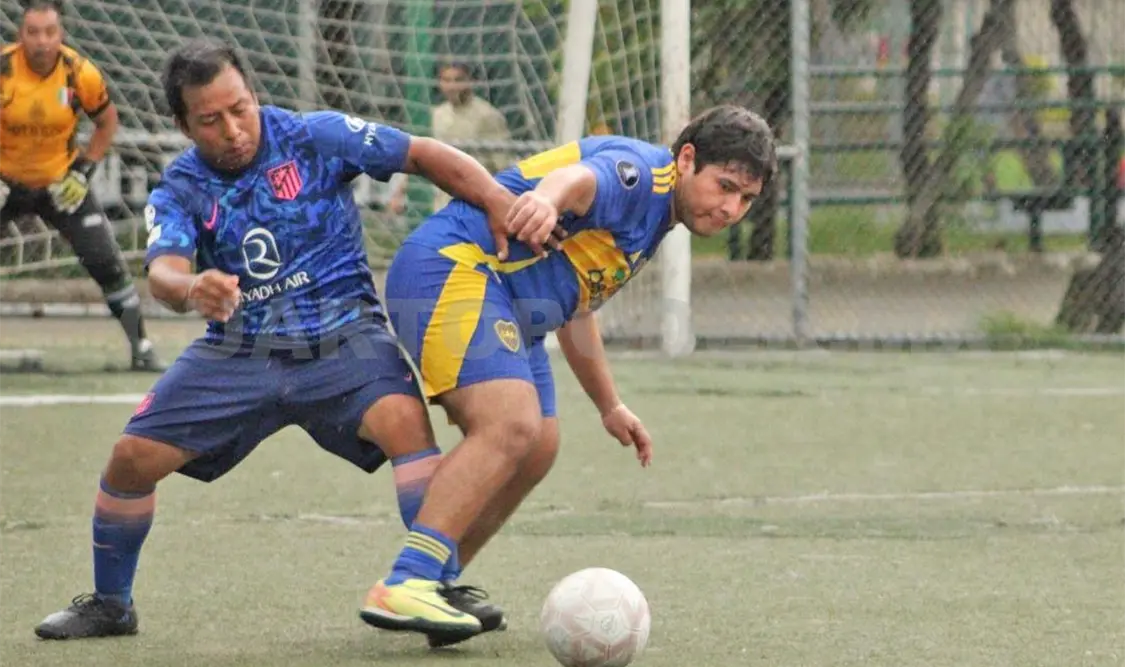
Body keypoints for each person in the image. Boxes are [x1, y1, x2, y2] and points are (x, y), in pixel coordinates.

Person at [32, 37, 554, 644]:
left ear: (255, 94)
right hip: (239, 350)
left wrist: (494, 199)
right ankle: (111, 604)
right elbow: (163, 271)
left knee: (406, 427)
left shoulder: (315, 135)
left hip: (345, 339)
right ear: (182, 125)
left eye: (241, 108)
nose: (232, 129)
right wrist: (192, 286)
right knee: (128, 461)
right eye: (211, 119)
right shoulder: (178, 186)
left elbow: (422, 153)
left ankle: (433, 586)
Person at [362, 105, 778, 646]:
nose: (731, 209)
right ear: (688, 159)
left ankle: (437, 580)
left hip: (511, 303)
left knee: (539, 447)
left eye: (746, 200)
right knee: (512, 423)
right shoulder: (642, 178)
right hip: (453, 268)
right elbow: (582, 180)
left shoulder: (657, 219)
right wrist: (545, 200)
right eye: (724, 187)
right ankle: (408, 579)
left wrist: (610, 405)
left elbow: (577, 307)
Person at [0, 0, 162, 371]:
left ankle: (142, 347)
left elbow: (106, 123)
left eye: (50, 32)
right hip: (6, 183)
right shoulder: (3, 68)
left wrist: (82, 171)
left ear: (61, 34)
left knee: (105, 259)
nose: (42, 42)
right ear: (20, 34)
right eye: (33, 32)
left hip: (61, 184)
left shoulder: (79, 73)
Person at [388, 60, 513, 215]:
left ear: (470, 82)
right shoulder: (437, 114)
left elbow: (503, 165)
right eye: (446, 80)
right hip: (443, 204)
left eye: (458, 80)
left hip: (477, 205)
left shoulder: (487, 116)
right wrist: (399, 193)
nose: (452, 86)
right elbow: (421, 155)